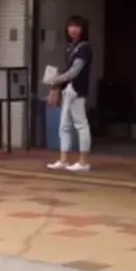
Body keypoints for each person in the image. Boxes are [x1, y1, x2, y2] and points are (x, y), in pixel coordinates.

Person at [44, 15, 93, 172]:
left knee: (81, 124)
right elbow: (68, 71)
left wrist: (55, 80)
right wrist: (57, 85)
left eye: (77, 26)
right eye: (71, 26)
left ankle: (83, 161)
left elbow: (74, 71)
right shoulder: (70, 47)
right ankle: (64, 159)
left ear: (83, 29)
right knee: (64, 125)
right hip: (68, 90)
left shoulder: (84, 48)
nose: (73, 29)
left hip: (78, 90)